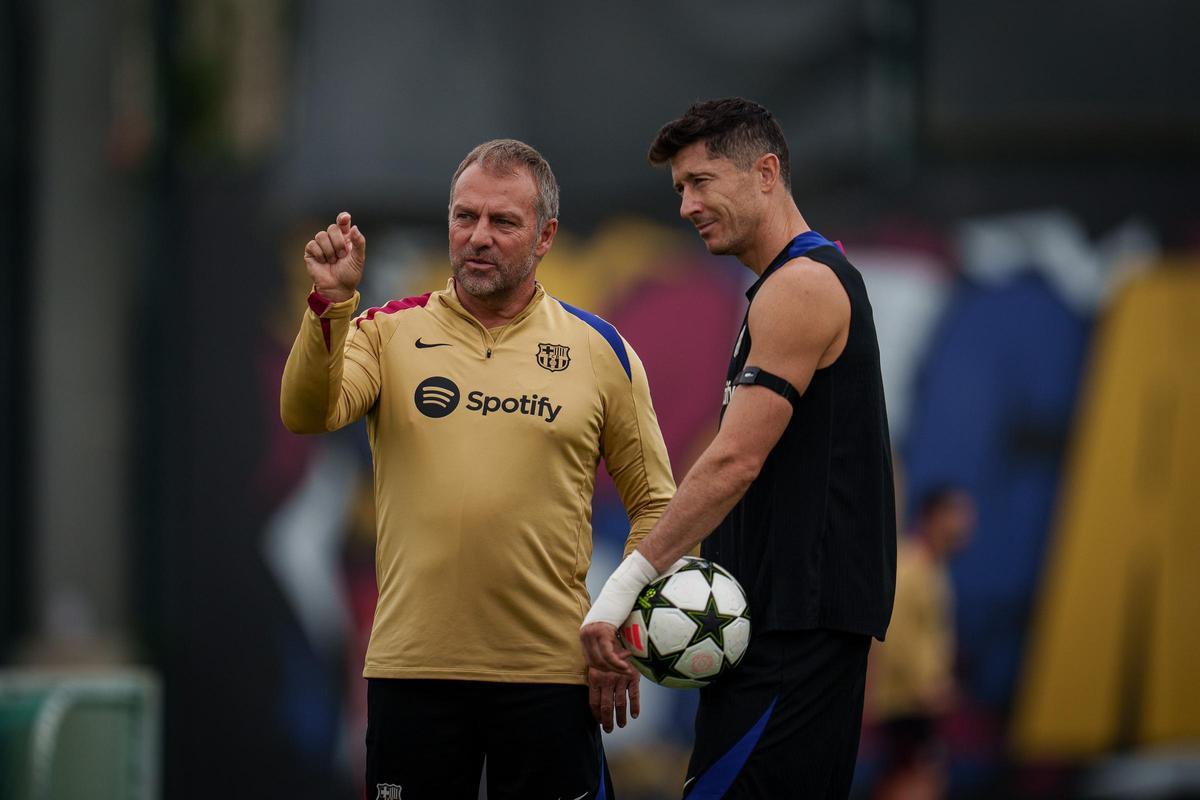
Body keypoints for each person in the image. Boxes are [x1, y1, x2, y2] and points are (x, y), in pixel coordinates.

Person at [280, 139, 675, 799]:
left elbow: (657, 506)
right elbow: (308, 412)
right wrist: (329, 306)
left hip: (551, 677)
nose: (478, 238)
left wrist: (620, 623)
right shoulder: (387, 332)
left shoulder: (599, 349)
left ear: (546, 235)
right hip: (414, 675)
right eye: (465, 218)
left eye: (503, 222)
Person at [580, 98, 897, 798]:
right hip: (772, 633)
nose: (688, 205)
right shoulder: (784, 287)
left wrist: (621, 592)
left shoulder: (802, 286)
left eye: (701, 181)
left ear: (765, 172)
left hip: (794, 637)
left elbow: (734, 461)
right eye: (679, 190)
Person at [868, 486, 974, 800]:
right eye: (958, 514)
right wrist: (925, 687)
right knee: (912, 782)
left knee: (920, 779)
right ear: (934, 517)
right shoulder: (912, 566)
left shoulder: (932, 566)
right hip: (905, 703)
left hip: (917, 702)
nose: (966, 524)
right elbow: (893, 634)